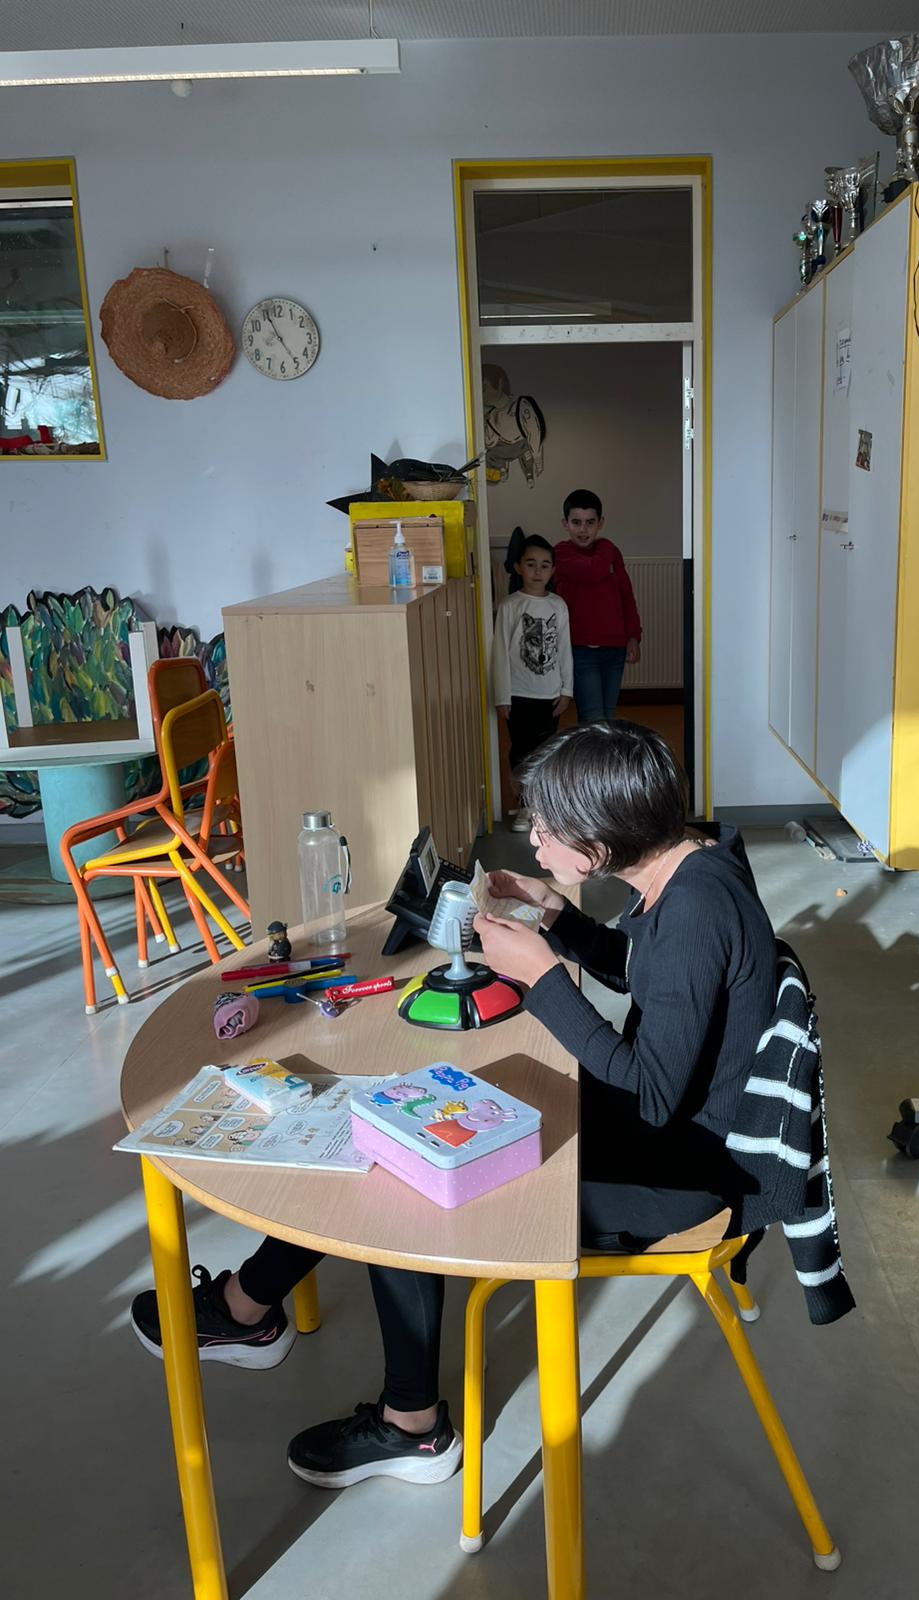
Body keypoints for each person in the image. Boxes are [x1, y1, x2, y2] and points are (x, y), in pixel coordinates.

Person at [128, 722, 775, 1492]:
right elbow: (651, 976)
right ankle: (248, 1306)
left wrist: (543, 981)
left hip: (677, 1172)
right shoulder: (694, 863)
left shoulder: (696, 915)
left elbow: (655, 1093)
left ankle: (411, 1428)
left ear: (601, 843)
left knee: (403, 1169)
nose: (534, 840)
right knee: (411, 1118)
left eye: (547, 830)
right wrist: (555, 916)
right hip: (667, 1129)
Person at [492, 534, 572, 833]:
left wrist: (566, 689)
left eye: (545, 565)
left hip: (549, 694)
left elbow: (564, 649)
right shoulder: (510, 605)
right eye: (531, 564)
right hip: (518, 693)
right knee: (521, 751)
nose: (538, 571)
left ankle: (539, 805)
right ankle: (525, 804)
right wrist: (502, 695)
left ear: (553, 570)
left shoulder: (558, 606)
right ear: (518, 567)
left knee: (546, 751)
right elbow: (500, 652)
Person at [554, 489, 642, 722]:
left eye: (590, 522)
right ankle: (588, 749)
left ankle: (597, 749)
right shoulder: (561, 553)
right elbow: (592, 571)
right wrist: (606, 547)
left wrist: (634, 635)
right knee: (593, 717)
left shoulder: (612, 553)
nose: (583, 529)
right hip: (581, 649)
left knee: (607, 715)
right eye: (576, 522)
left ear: (600, 523)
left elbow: (626, 595)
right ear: (565, 523)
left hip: (615, 648)